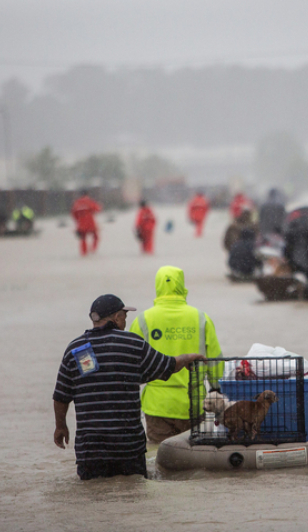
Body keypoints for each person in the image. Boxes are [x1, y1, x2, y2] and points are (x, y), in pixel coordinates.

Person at [53, 294, 205, 480]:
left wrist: (60, 426)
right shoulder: (132, 344)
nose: (125, 321)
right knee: (133, 497)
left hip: (91, 449)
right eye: (124, 316)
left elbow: (61, 395)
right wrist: (187, 358)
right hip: (128, 446)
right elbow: (167, 366)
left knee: (93, 499)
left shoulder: (75, 349)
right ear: (116, 317)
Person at [129, 266, 224, 443]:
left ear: (157, 286)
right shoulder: (201, 318)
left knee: (160, 457)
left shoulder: (142, 320)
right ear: (182, 286)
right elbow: (215, 361)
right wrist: (216, 388)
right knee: (195, 458)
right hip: (194, 403)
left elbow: (130, 364)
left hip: (157, 406)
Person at [71, 190, 102, 255]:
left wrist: (79, 220)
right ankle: (93, 248)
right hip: (90, 223)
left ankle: (84, 252)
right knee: (96, 236)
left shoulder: (77, 203)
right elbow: (97, 209)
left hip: (81, 224)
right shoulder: (89, 201)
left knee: (83, 238)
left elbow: (74, 214)